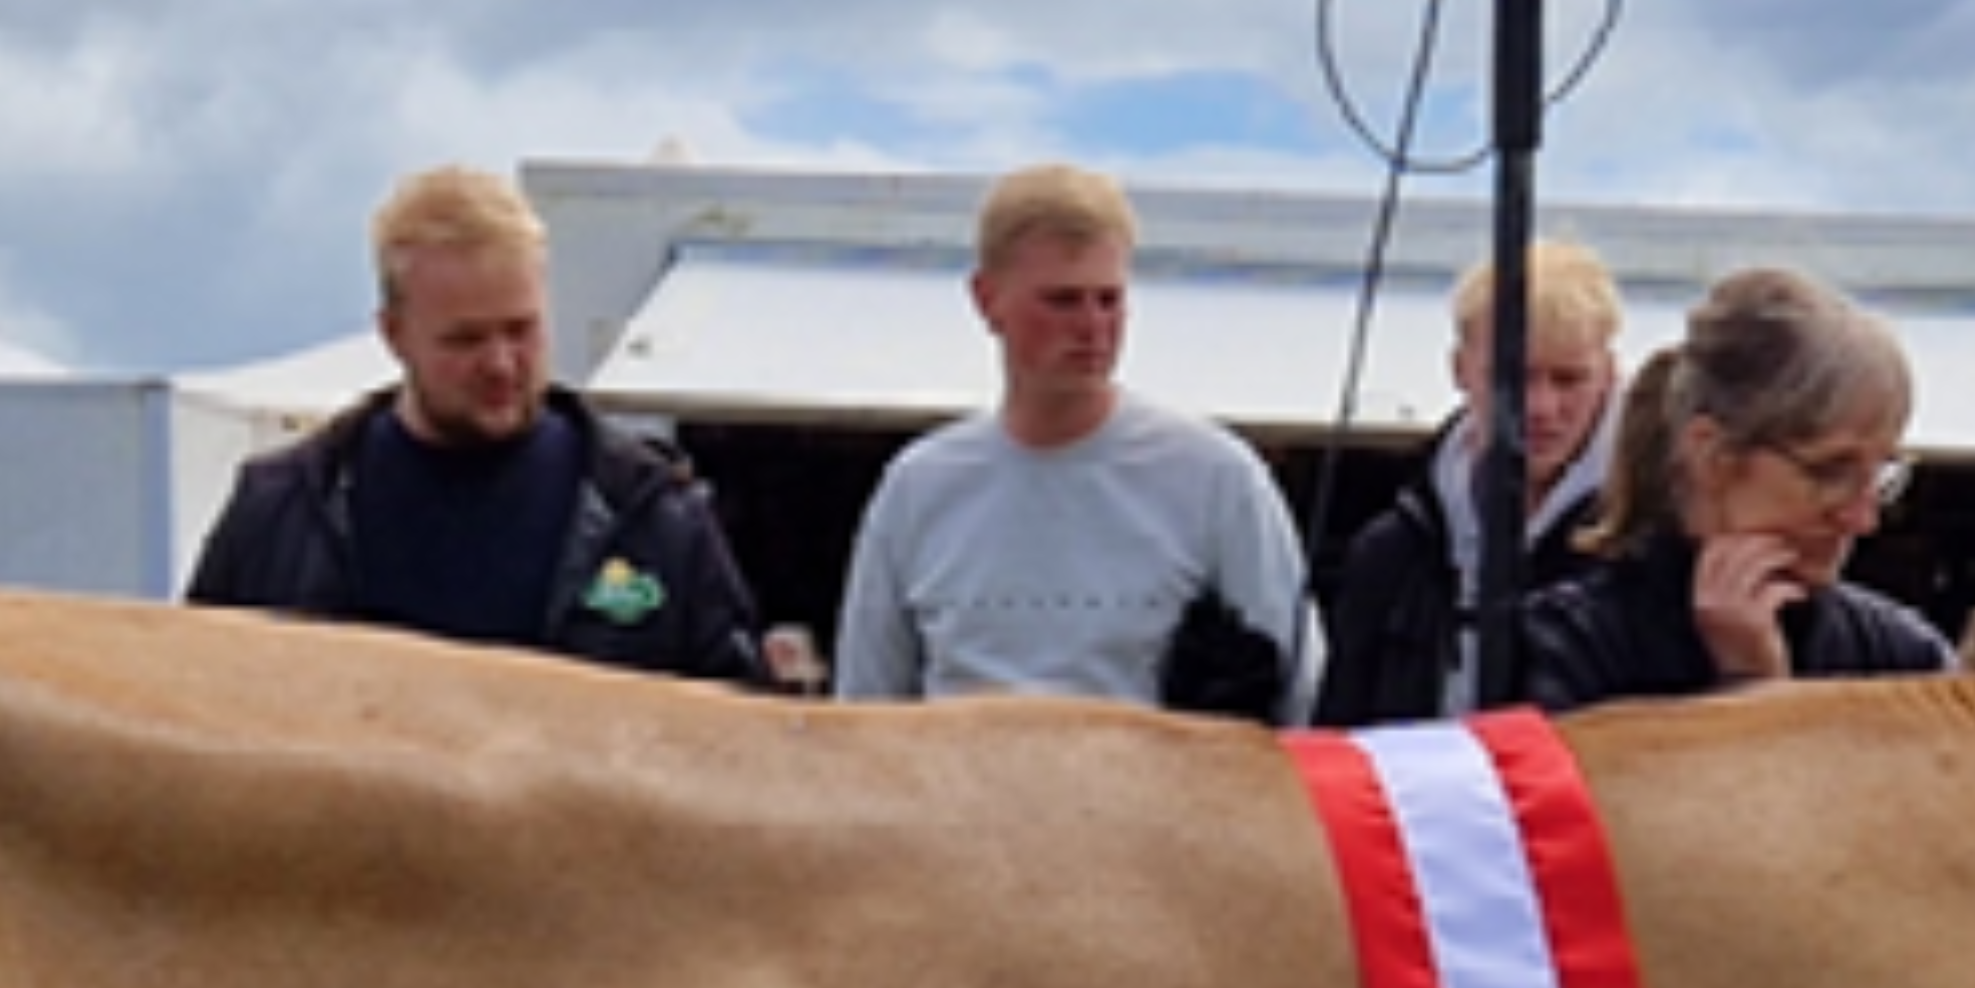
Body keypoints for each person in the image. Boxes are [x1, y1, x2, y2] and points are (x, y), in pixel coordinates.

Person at [184, 164, 759, 681]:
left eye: (520, 329)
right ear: (393, 335)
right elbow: (193, 713)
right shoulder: (281, 513)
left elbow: (737, 748)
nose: (501, 364)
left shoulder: (656, 519)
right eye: (465, 339)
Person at [832, 165, 1312, 714]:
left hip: (1153, 793)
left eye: (1109, 300)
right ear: (987, 301)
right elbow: (865, 713)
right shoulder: (917, 489)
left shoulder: (1219, 479)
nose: (1092, 326)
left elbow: (1302, 694)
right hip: (960, 793)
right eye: (1062, 301)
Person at [1515, 265, 1952, 712]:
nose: (1863, 519)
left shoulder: (1902, 661)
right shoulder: (1559, 649)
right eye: (1831, 472)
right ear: (1711, 454)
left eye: (1880, 476)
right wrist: (1750, 694)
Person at [1306, 237, 1622, 726]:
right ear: (1460, 370)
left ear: (1610, 375)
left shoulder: (1646, 548)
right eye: (1513, 378)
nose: (1540, 407)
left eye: (1569, 379)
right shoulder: (1392, 551)